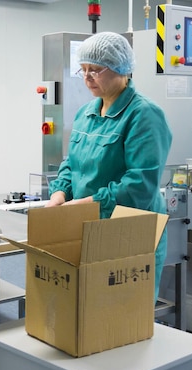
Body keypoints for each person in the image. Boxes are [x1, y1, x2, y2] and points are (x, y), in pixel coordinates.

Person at [45, 31, 172, 302]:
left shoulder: (144, 115)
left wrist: (88, 204)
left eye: (96, 70)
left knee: (123, 313)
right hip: (86, 223)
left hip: (129, 229)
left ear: (121, 69)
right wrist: (59, 194)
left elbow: (140, 185)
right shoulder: (86, 112)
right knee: (88, 307)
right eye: (83, 70)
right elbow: (71, 164)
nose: (88, 77)